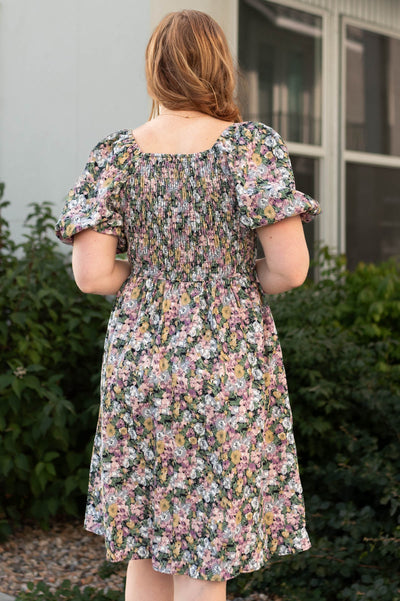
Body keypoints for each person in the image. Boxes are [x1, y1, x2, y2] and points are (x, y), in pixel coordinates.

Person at [55, 9, 321, 601]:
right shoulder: (249, 148)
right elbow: (291, 268)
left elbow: (92, 274)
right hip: (225, 360)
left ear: (156, 69)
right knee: (206, 550)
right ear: (219, 67)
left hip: (141, 360)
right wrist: (230, 275)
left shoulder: (115, 156)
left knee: (149, 541)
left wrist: (150, 273)